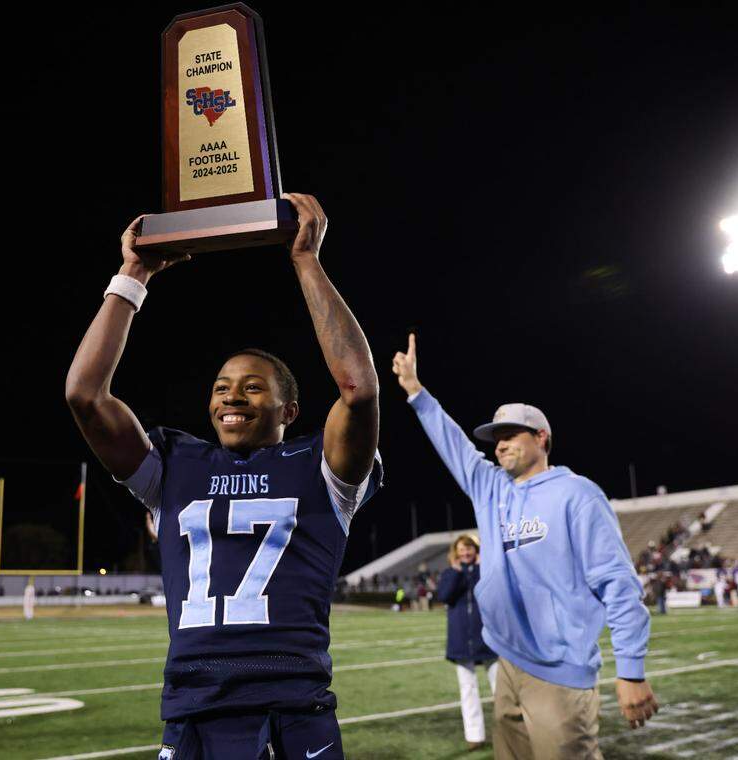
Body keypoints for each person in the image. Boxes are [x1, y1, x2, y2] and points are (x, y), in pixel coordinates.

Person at [65, 194, 382, 760]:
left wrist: (306, 261)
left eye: (253, 386)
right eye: (219, 387)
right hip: (193, 710)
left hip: (291, 709)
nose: (231, 396)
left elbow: (359, 390)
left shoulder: (322, 471)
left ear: (289, 410)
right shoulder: (175, 468)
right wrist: (131, 276)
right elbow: (84, 395)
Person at [392, 333, 656, 759]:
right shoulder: (490, 487)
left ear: (543, 438)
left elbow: (618, 584)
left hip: (560, 674)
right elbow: (455, 445)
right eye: (496, 437)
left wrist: (631, 670)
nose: (499, 444)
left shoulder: (578, 494)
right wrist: (416, 392)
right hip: (508, 665)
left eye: (512, 434)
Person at [438, 533, 499, 751]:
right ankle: (474, 735)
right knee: (468, 688)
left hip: (489, 638)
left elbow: (493, 590)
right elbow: (444, 595)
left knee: (500, 688)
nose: (465, 552)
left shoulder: (487, 569)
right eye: (461, 549)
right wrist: (456, 572)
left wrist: (482, 567)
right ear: (455, 552)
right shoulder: (449, 573)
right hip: (461, 639)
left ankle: (506, 731)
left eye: (469, 548)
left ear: (476, 550)